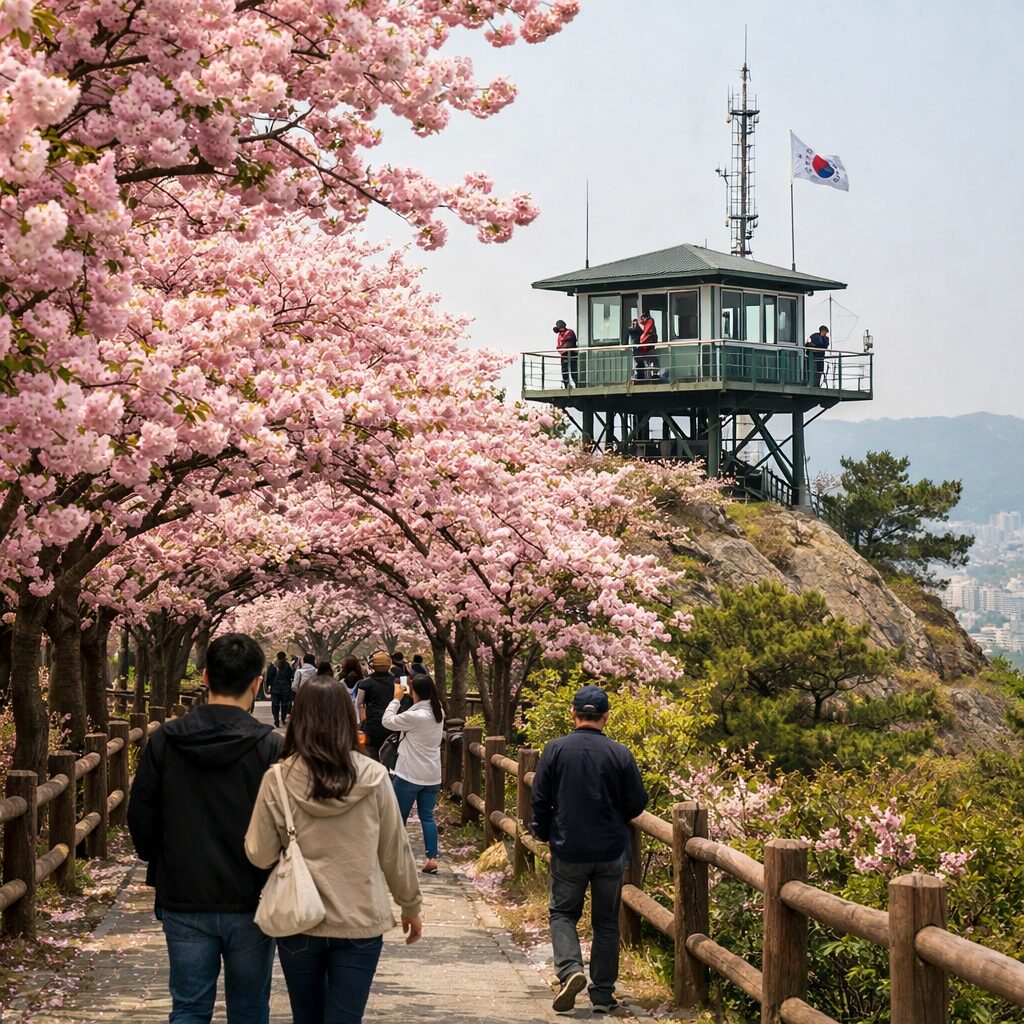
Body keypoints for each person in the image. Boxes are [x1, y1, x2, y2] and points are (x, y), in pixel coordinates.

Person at [244, 676, 423, 1024]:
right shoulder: (374, 776)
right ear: (347, 719)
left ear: (298, 720)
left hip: (300, 920)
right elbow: (394, 850)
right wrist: (410, 905)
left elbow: (259, 854)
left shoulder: (278, 778)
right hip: (360, 919)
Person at [128, 633, 283, 1024]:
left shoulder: (165, 740)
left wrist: (161, 857)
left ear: (205, 676)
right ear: (257, 682)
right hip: (253, 896)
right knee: (249, 1011)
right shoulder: (270, 748)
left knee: (189, 1009)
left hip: (183, 893)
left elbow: (141, 815)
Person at [530, 685, 648, 1015]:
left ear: (574, 714)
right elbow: (638, 802)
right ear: (606, 717)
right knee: (607, 923)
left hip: (568, 848)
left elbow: (539, 798)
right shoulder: (620, 753)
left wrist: (543, 832)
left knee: (563, 913)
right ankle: (602, 995)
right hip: (610, 850)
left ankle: (570, 970)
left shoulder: (555, 749)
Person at [381, 673, 445, 874]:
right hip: (432, 775)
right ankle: (432, 858)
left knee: (397, 817)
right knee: (427, 817)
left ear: (414, 691)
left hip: (409, 774)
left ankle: (395, 858)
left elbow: (387, 721)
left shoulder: (414, 716)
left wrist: (396, 698)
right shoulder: (438, 712)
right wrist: (411, 696)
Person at [355, 651, 400, 760]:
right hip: (392, 724)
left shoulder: (364, 683)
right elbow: (404, 699)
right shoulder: (398, 681)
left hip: (372, 725)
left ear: (372, 665)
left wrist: (359, 722)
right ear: (389, 664)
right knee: (391, 755)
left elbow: (358, 703)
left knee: (372, 755)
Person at [267, 651, 294, 728]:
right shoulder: (287, 665)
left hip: (275, 689)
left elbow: (269, 676)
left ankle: (276, 719)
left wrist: (268, 685)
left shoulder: (273, 665)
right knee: (284, 705)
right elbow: (291, 676)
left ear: (277, 656)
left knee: (275, 704)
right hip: (285, 689)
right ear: (284, 657)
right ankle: (283, 718)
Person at [553, 319, 579, 388]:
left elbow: (568, 343)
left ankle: (577, 384)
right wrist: (560, 348)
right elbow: (559, 346)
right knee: (564, 371)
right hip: (564, 356)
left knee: (574, 370)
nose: (560, 330)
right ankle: (566, 385)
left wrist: (561, 347)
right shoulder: (560, 335)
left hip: (572, 354)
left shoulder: (570, 332)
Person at [636, 313, 659, 381]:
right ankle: (651, 373)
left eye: (642, 318)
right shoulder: (648, 323)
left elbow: (646, 333)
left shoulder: (649, 321)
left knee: (650, 358)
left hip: (648, 345)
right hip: (648, 345)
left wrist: (642, 339)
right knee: (649, 359)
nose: (641, 321)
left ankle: (653, 373)